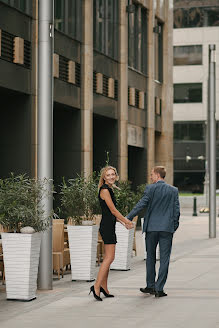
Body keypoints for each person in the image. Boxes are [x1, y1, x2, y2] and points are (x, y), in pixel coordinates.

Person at [126, 166, 180, 298]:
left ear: (157, 175)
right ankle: (159, 288)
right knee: (164, 259)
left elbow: (141, 204)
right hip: (166, 228)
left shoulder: (150, 188)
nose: (150, 177)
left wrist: (127, 217)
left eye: (151, 175)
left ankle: (150, 285)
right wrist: (174, 226)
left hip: (151, 228)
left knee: (150, 258)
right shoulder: (173, 190)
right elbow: (176, 211)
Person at [89, 166, 133, 301]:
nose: (111, 177)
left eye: (113, 174)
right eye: (108, 175)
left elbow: (110, 214)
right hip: (107, 227)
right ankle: (96, 286)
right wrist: (127, 221)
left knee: (109, 258)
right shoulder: (104, 190)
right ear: (104, 177)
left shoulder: (109, 189)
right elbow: (113, 211)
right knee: (109, 258)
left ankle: (104, 287)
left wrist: (122, 223)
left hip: (109, 225)